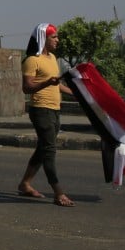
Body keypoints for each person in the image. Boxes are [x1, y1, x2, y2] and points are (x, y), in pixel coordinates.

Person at [18, 23, 76, 207]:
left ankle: (25, 184)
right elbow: (27, 87)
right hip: (40, 110)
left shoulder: (52, 58)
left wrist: (77, 94)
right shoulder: (31, 60)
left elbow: (56, 84)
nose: (58, 40)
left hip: (54, 109)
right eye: (54, 37)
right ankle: (59, 193)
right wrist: (46, 83)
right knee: (50, 150)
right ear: (44, 39)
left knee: (43, 149)